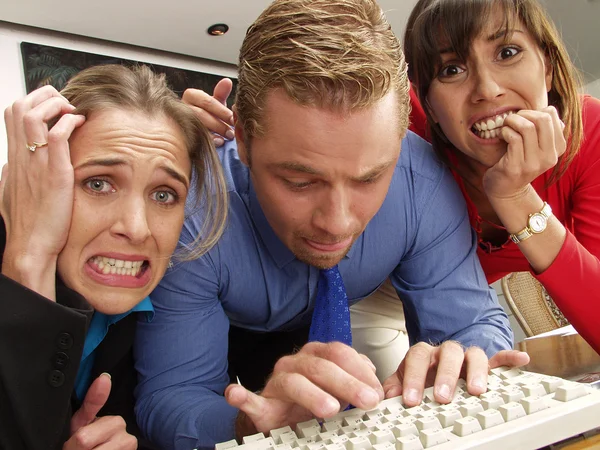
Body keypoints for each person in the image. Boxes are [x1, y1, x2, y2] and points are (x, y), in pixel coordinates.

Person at [133, 1, 528, 449]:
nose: (337, 222)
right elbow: (171, 397)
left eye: (370, 177)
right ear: (242, 138)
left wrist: (464, 356)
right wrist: (247, 423)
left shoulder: (424, 182)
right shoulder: (195, 214)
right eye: (299, 181)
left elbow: (476, 322)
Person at [0, 64, 227, 450]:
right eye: (99, 183)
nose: (137, 228)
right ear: (37, 180)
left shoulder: (157, 323)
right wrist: (29, 260)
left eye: (163, 194)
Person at [402, 0, 600, 354]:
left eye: (507, 52)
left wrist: (514, 197)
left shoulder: (591, 134)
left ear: (548, 66)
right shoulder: (406, 128)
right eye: (451, 70)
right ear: (428, 104)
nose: (487, 89)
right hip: (388, 287)